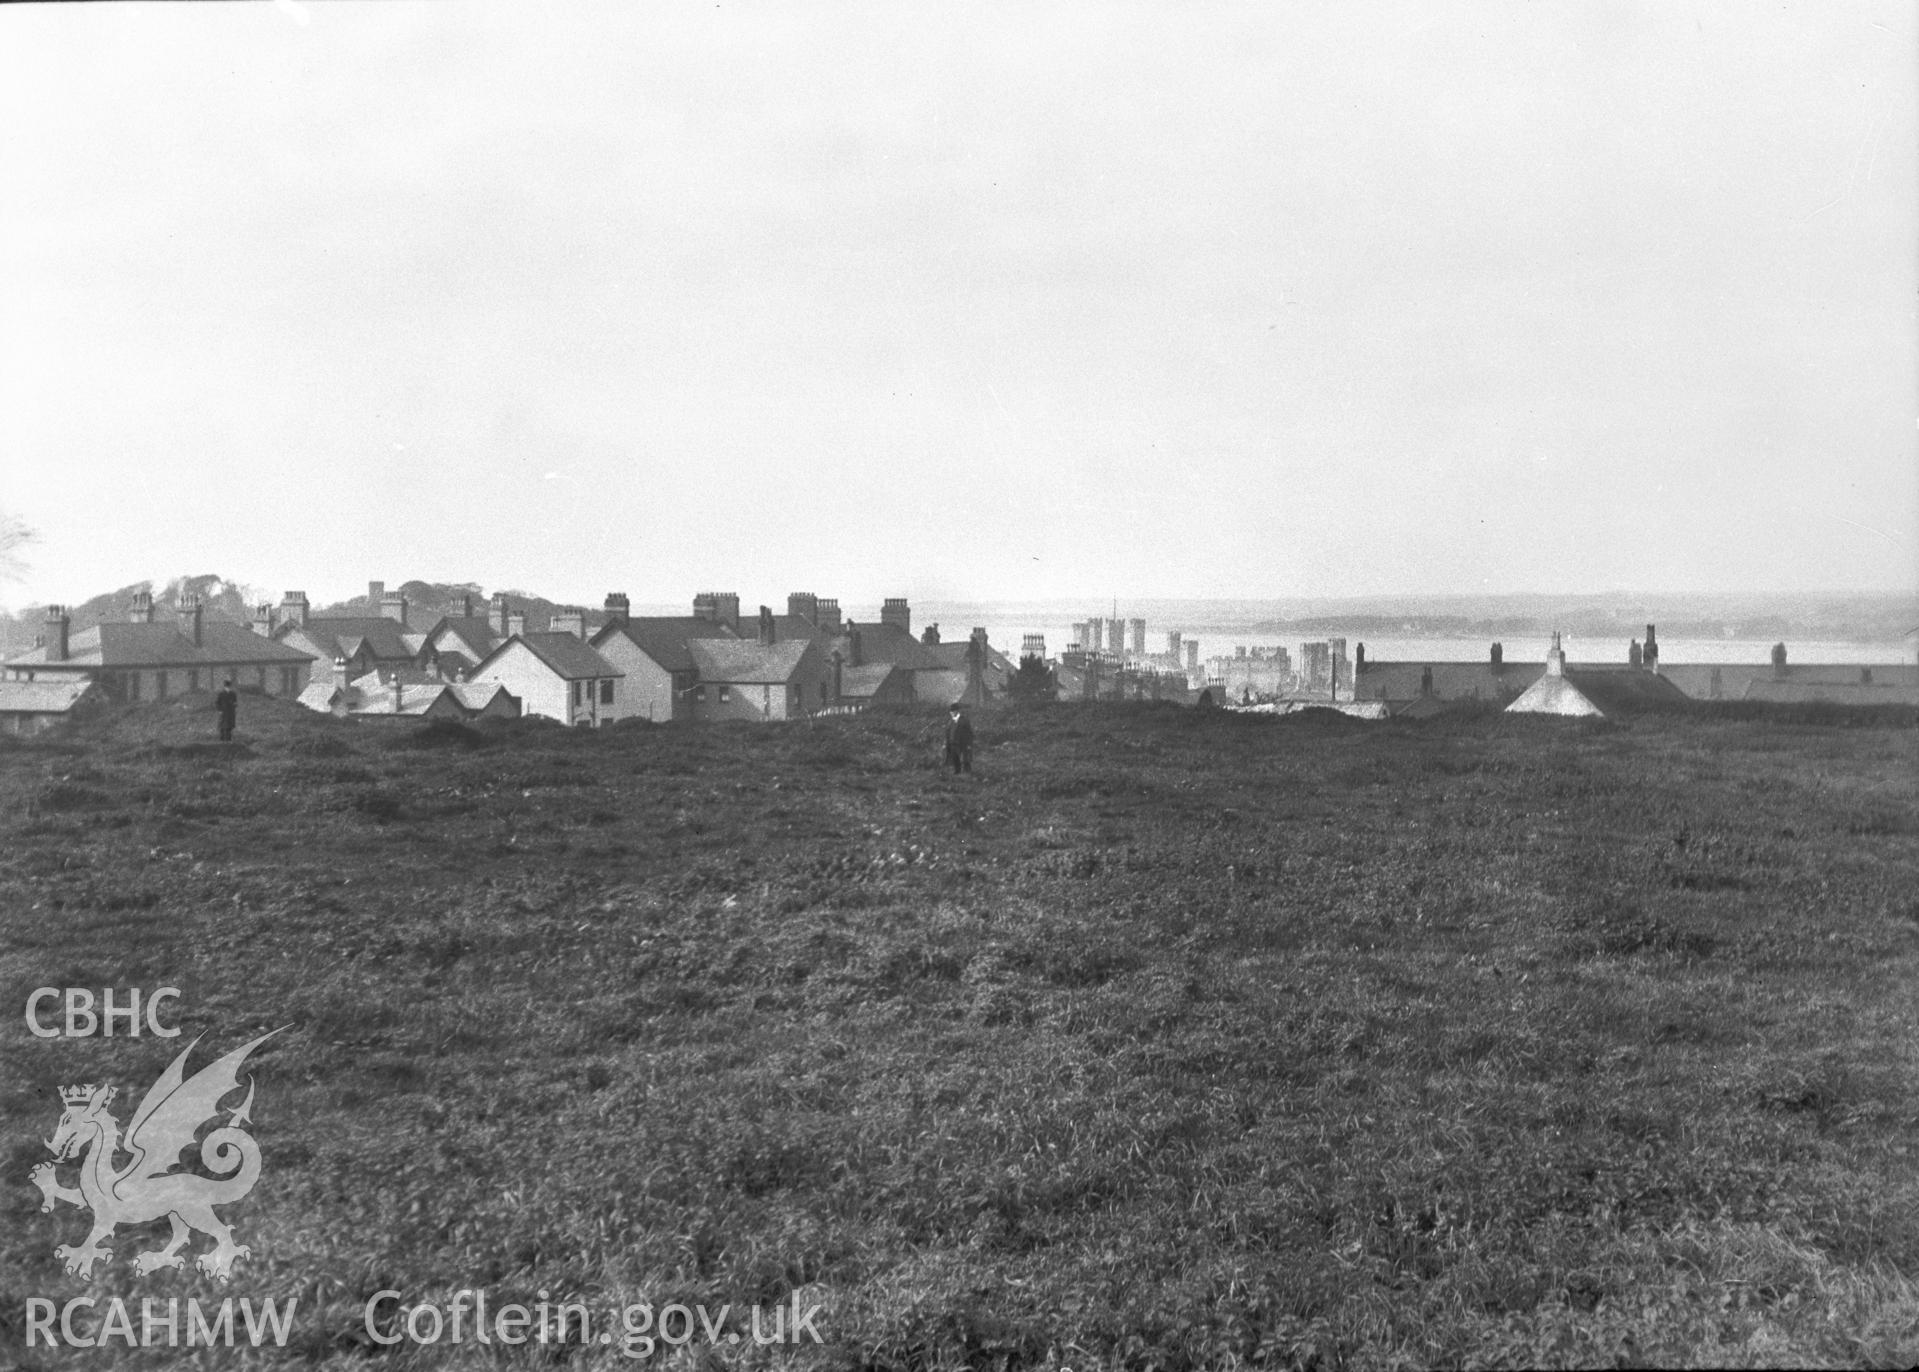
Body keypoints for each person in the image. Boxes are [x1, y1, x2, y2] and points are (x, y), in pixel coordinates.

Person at [944, 703, 974, 775]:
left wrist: (969, 744)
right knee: (955, 757)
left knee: (965, 758)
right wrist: (946, 743)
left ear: (957, 711)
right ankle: (957, 771)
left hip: (963, 742)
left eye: (953, 711)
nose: (951, 713)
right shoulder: (950, 722)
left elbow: (970, 733)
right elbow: (947, 733)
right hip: (953, 743)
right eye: (950, 712)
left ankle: (968, 772)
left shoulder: (964, 720)